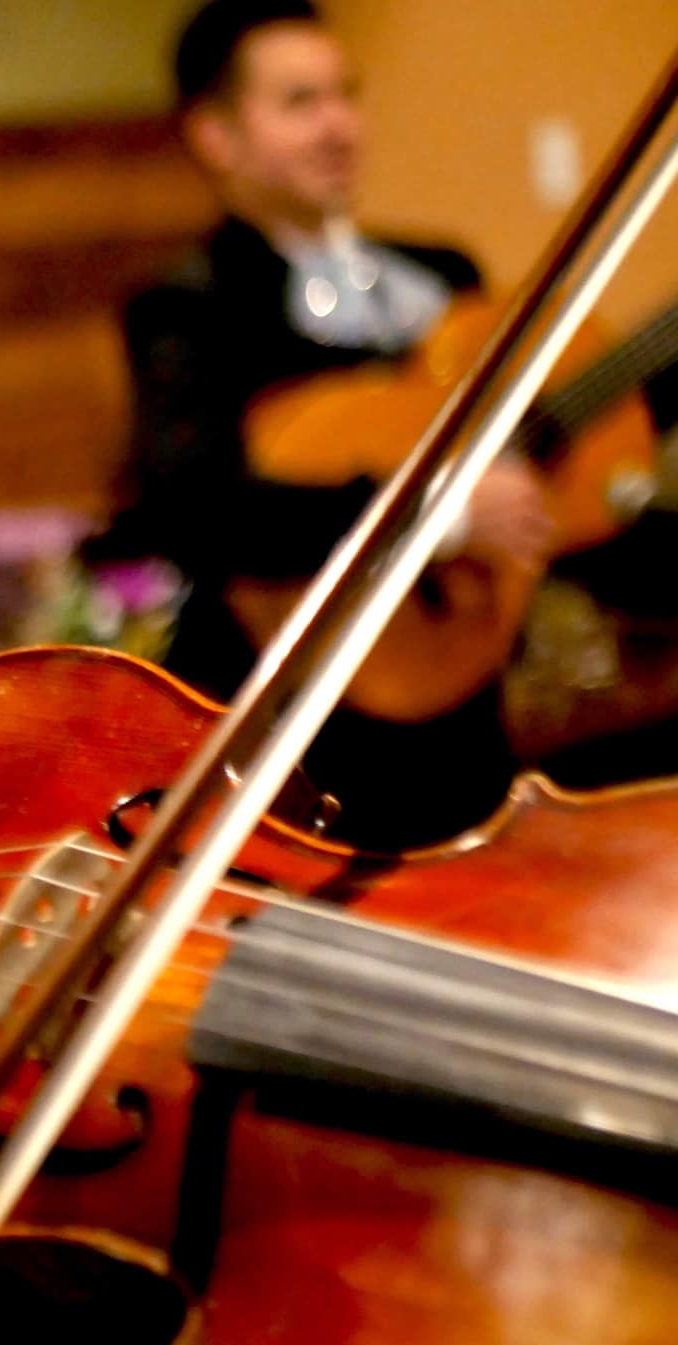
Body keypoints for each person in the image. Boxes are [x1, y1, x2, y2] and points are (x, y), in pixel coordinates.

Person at [111, 0, 553, 850]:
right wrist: (443, 517)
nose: (340, 127)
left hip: (457, 695)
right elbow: (198, 507)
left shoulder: (443, 273)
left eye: (347, 95)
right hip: (299, 721)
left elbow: (526, 448)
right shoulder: (190, 308)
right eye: (301, 103)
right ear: (217, 136)